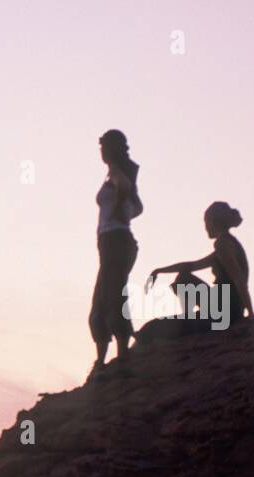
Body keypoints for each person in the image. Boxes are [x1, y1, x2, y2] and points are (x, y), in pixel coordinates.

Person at [88, 129, 144, 379]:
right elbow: (139, 207)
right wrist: (125, 209)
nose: (100, 151)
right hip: (112, 242)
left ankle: (122, 359)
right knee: (101, 301)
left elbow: (125, 188)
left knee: (112, 297)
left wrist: (120, 208)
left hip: (116, 241)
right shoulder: (115, 173)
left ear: (110, 149)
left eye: (103, 147)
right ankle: (101, 360)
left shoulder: (118, 173)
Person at [146, 202, 253, 327]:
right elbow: (191, 265)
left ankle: (188, 318)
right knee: (183, 277)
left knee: (182, 279)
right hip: (228, 309)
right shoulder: (225, 244)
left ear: (215, 222)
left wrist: (251, 313)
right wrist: (159, 270)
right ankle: (189, 318)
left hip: (225, 310)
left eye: (206, 222)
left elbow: (239, 279)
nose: (205, 227)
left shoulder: (222, 244)